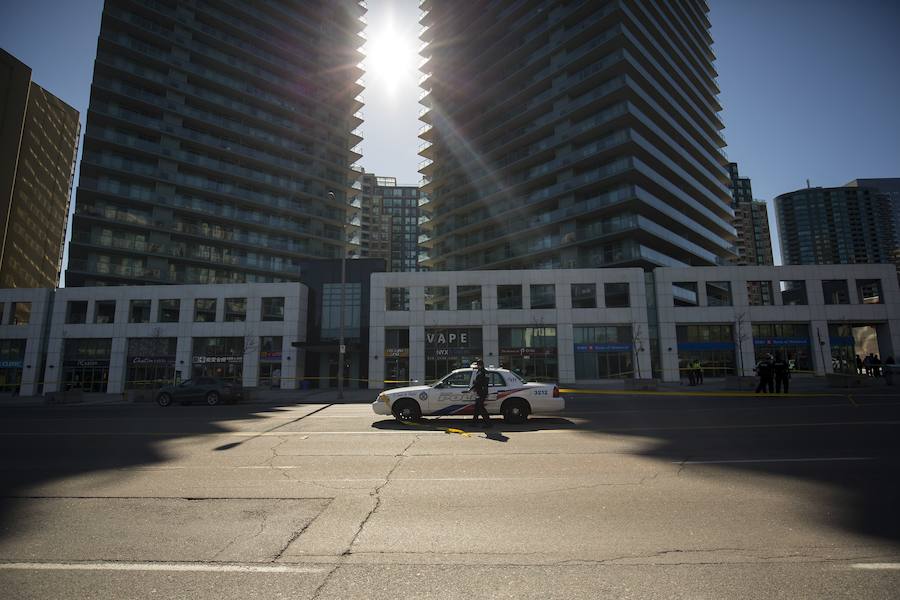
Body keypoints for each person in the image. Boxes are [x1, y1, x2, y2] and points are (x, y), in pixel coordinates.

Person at [468, 359, 492, 428]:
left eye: (477, 365)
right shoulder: (483, 372)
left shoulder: (482, 372)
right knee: (477, 408)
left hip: (482, 392)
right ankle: (474, 422)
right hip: (481, 391)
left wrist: (472, 388)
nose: (477, 366)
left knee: (481, 407)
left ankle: (488, 423)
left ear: (480, 365)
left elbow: (479, 382)